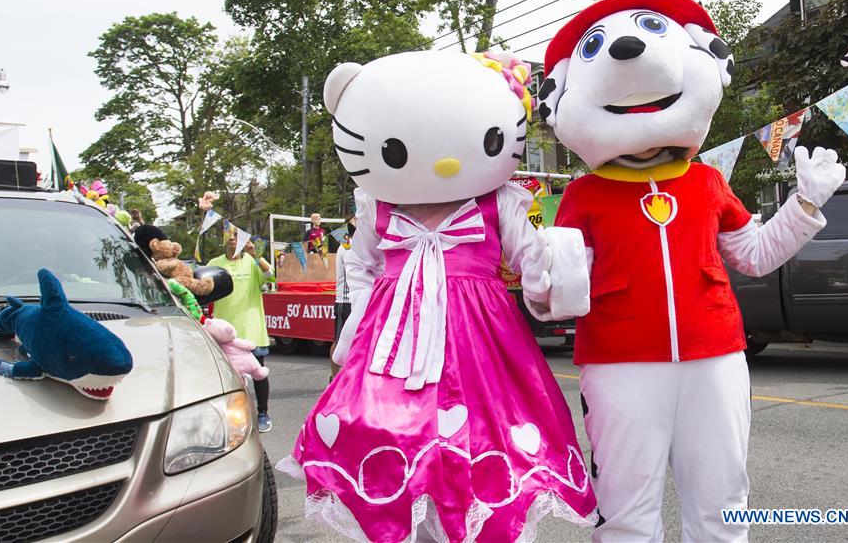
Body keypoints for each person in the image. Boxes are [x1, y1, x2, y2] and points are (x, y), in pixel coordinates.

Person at [536, 0, 846, 542]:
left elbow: (753, 255)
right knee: (626, 502)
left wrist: (804, 207)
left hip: (716, 355)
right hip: (619, 363)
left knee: (724, 496)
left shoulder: (708, 181)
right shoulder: (583, 194)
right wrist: (545, 278)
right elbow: (559, 291)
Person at [276, 51, 596, 541]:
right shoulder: (376, 204)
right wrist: (363, 316)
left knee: (484, 437)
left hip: (480, 337)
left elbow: (534, 260)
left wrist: (555, 275)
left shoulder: (501, 200)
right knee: (391, 432)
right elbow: (358, 261)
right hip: (393, 333)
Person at [207, 228, 276, 432]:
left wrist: (258, 256)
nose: (231, 238)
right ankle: (231, 416)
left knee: (259, 374)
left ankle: (262, 413)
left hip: (252, 329)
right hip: (223, 332)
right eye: (228, 234)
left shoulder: (252, 261)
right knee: (225, 378)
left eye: (236, 235)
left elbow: (271, 277)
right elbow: (201, 287)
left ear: (245, 239)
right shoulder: (214, 264)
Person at [329, 217, 356, 381]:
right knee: (340, 341)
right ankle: (334, 378)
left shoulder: (357, 243)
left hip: (358, 300)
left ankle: (349, 377)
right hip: (345, 300)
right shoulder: (347, 244)